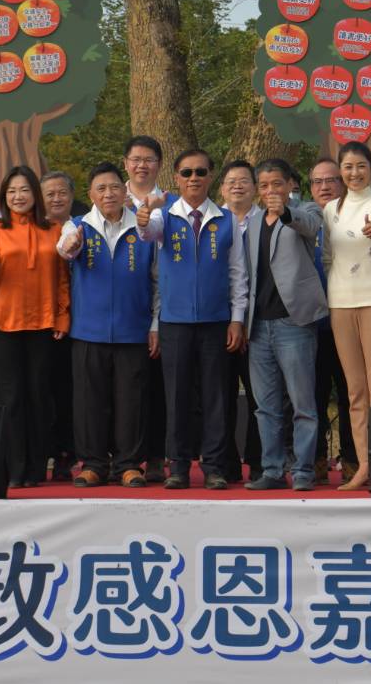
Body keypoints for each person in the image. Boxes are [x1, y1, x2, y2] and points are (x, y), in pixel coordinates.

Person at [148, 148, 248, 490]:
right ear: (176, 178)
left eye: (201, 172)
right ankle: (177, 465)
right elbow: (148, 233)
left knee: (216, 395)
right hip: (174, 321)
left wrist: (237, 318)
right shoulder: (165, 217)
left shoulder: (226, 219)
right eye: (187, 172)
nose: (194, 178)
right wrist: (146, 215)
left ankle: (215, 466)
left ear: (210, 177)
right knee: (176, 396)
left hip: (216, 321)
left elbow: (238, 273)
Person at [0, 165, 70, 487]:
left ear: (34, 194)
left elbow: (62, 279)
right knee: (11, 398)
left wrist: (63, 315)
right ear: (4, 197)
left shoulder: (54, 229)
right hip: (6, 322)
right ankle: (15, 468)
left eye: (24, 190)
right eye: (11, 191)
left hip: (43, 321)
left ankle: (38, 467)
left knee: (40, 395)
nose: (18, 196)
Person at [57, 163, 155, 488]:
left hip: (133, 329)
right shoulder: (77, 226)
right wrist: (69, 247)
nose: (108, 193)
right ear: (91, 195)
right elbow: (65, 248)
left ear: (125, 190)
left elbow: (158, 280)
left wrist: (155, 324)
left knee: (132, 400)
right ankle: (94, 463)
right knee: (89, 401)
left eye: (114, 187)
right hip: (88, 331)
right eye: (101, 188)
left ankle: (128, 464)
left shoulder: (144, 228)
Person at [240, 159, 327, 491]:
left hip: (294, 322)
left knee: (303, 404)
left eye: (277, 184)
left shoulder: (305, 211)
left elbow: (311, 227)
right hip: (259, 326)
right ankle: (273, 469)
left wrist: (286, 212)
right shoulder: (252, 222)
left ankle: (303, 471)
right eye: (263, 186)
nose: (270, 191)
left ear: (291, 184)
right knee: (266, 407)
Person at [322, 140, 371, 491]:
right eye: (348, 167)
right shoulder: (330, 210)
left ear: (370, 167)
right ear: (341, 170)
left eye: (360, 166)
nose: (354, 173)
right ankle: (365, 464)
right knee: (355, 391)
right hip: (340, 303)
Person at [123, 135, 169, 483]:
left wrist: (156, 319)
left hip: (157, 307)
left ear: (159, 165)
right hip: (120, 310)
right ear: (126, 163)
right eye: (136, 159)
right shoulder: (110, 199)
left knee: (154, 389)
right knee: (121, 390)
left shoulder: (173, 205)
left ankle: (154, 456)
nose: (142, 165)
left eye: (149, 159)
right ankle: (121, 459)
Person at [308, 157, 353, 483]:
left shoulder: (359, 215)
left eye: (331, 180)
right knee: (313, 396)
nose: (324, 187)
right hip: (312, 326)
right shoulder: (303, 219)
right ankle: (315, 460)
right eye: (317, 182)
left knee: (352, 395)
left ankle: (352, 459)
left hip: (351, 320)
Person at [218, 159, 264, 480]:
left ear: (255, 187)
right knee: (221, 395)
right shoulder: (213, 220)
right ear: (222, 188)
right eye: (231, 181)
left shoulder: (268, 219)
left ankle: (260, 461)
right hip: (220, 322)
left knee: (261, 394)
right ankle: (227, 463)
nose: (237, 185)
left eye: (244, 180)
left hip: (260, 322)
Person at [40, 170, 86, 481]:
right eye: (50, 194)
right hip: (42, 320)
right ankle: (44, 450)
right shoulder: (35, 229)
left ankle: (69, 453)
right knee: (43, 390)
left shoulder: (84, 227)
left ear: (71, 196)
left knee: (71, 390)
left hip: (80, 321)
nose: (56, 198)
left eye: (62, 193)